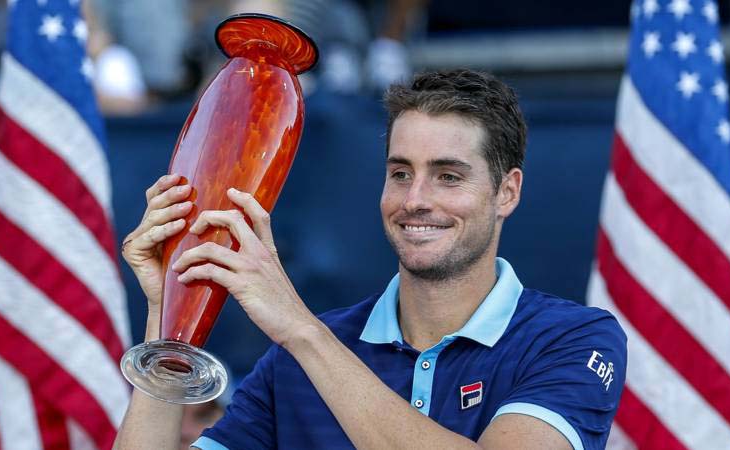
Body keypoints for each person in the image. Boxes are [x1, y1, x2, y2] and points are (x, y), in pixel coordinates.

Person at [114, 69, 626, 450]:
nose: (415, 199)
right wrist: (171, 320)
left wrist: (301, 329)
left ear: (506, 192)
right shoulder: (293, 361)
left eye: (448, 176)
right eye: (401, 173)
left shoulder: (574, 337)